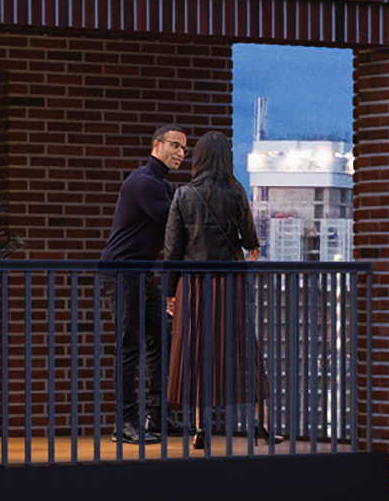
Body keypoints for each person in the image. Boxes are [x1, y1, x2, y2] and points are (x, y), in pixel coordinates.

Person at [159, 132, 269, 443]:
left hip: (193, 287)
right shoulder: (236, 192)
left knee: (196, 352)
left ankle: (200, 427)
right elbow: (251, 242)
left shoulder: (183, 195)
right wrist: (248, 257)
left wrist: (170, 292)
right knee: (243, 349)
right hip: (230, 286)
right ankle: (259, 423)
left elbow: (172, 250)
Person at [101, 123, 186, 437]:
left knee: (159, 342)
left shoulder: (161, 184)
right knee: (129, 346)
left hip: (141, 272)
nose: (180, 153)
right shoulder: (145, 182)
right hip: (123, 272)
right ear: (157, 145)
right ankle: (125, 423)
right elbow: (173, 222)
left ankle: (157, 417)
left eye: (183, 149)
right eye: (175, 146)